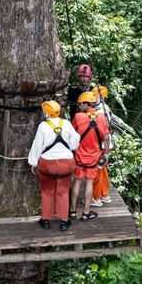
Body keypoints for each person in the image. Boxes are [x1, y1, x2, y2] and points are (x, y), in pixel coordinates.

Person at [28, 100, 80, 231]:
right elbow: (75, 143)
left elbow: (37, 145)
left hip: (48, 165)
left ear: (46, 112)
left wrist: (33, 163)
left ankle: (45, 220)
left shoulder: (43, 126)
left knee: (47, 192)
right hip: (66, 164)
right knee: (63, 192)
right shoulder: (66, 123)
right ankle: (64, 220)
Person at [70, 91, 109, 222]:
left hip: (80, 156)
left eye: (81, 104)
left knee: (77, 182)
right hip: (94, 157)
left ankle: (73, 211)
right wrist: (106, 154)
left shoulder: (78, 117)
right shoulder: (102, 118)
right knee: (89, 183)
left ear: (86, 105)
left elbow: (71, 132)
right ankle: (86, 213)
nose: (79, 106)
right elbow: (106, 138)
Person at [91, 86, 113, 207]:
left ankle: (97, 197)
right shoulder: (106, 109)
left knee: (97, 172)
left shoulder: (99, 113)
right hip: (106, 145)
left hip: (100, 145)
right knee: (103, 171)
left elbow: (103, 133)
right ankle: (105, 195)